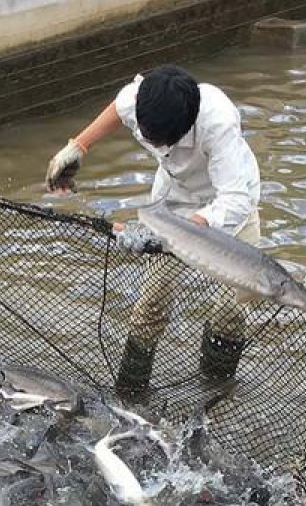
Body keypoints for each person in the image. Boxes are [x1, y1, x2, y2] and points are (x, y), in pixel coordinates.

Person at [44, 65, 261, 395]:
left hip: (229, 209)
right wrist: (78, 147)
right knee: (150, 306)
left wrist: (179, 234)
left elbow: (235, 198)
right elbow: (118, 107)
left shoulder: (219, 122)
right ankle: (131, 395)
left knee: (231, 311)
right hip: (172, 203)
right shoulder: (143, 99)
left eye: (157, 140)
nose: (147, 141)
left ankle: (216, 390)